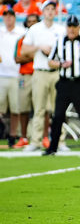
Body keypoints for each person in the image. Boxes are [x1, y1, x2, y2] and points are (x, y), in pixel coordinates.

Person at [43, 15, 80, 155]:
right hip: (64, 83)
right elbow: (50, 61)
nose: (72, 29)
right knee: (58, 116)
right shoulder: (59, 42)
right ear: (66, 27)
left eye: (74, 26)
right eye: (69, 26)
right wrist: (61, 64)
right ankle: (53, 148)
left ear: (79, 27)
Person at [21, 0, 63, 151]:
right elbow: (24, 50)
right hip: (40, 71)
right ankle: (35, 141)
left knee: (58, 108)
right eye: (48, 9)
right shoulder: (35, 29)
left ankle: (60, 140)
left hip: (56, 72)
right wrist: (39, 47)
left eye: (53, 9)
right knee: (38, 108)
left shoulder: (60, 29)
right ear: (43, 12)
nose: (50, 12)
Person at [13, 13, 40, 148]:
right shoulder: (21, 40)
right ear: (26, 24)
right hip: (25, 75)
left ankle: (41, 137)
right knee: (23, 107)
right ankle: (23, 137)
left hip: (39, 74)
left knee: (41, 108)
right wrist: (34, 55)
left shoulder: (41, 38)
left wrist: (28, 54)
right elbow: (18, 58)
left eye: (34, 21)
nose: (32, 24)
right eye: (29, 22)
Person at [0, 9, 25, 148]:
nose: (8, 19)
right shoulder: (0, 32)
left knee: (16, 108)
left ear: (14, 18)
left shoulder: (21, 32)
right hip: (1, 74)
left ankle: (13, 135)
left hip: (17, 74)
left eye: (11, 16)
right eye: (6, 16)